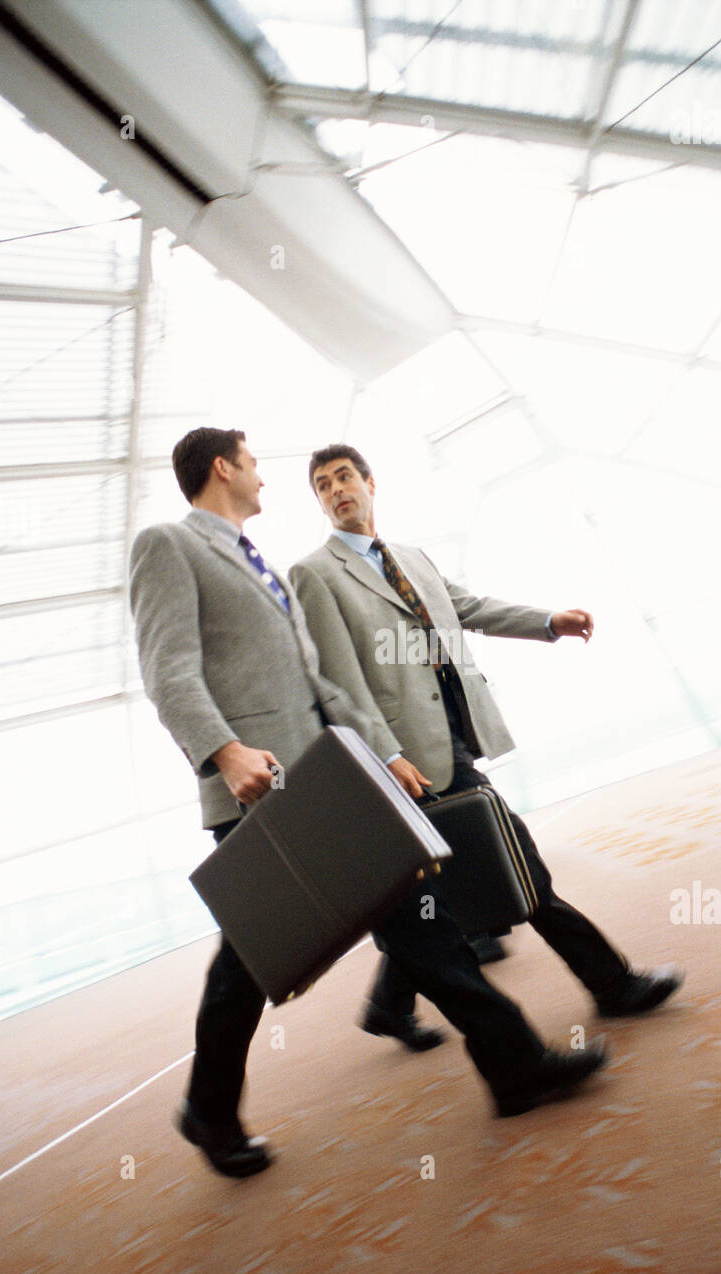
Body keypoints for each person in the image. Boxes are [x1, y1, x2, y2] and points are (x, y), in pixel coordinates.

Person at [128, 427, 613, 1178]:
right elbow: (168, 670)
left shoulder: (261, 567)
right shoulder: (171, 545)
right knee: (248, 964)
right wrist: (224, 752)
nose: (264, 480)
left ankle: (513, 1067)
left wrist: (375, 752)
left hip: (321, 786)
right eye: (254, 466)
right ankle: (209, 1110)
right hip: (256, 792)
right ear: (223, 467)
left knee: (419, 919)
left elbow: (316, 683)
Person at [289, 444, 683, 1052]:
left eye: (345, 477)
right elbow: (338, 680)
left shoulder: (410, 558)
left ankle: (389, 1006)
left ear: (370, 482)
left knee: (424, 892)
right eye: (322, 485)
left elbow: (466, 607)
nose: (336, 489)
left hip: (452, 740)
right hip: (406, 759)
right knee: (518, 864)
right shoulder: (315, 574)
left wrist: (547, 621)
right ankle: (612, 984)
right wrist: (389, 755)